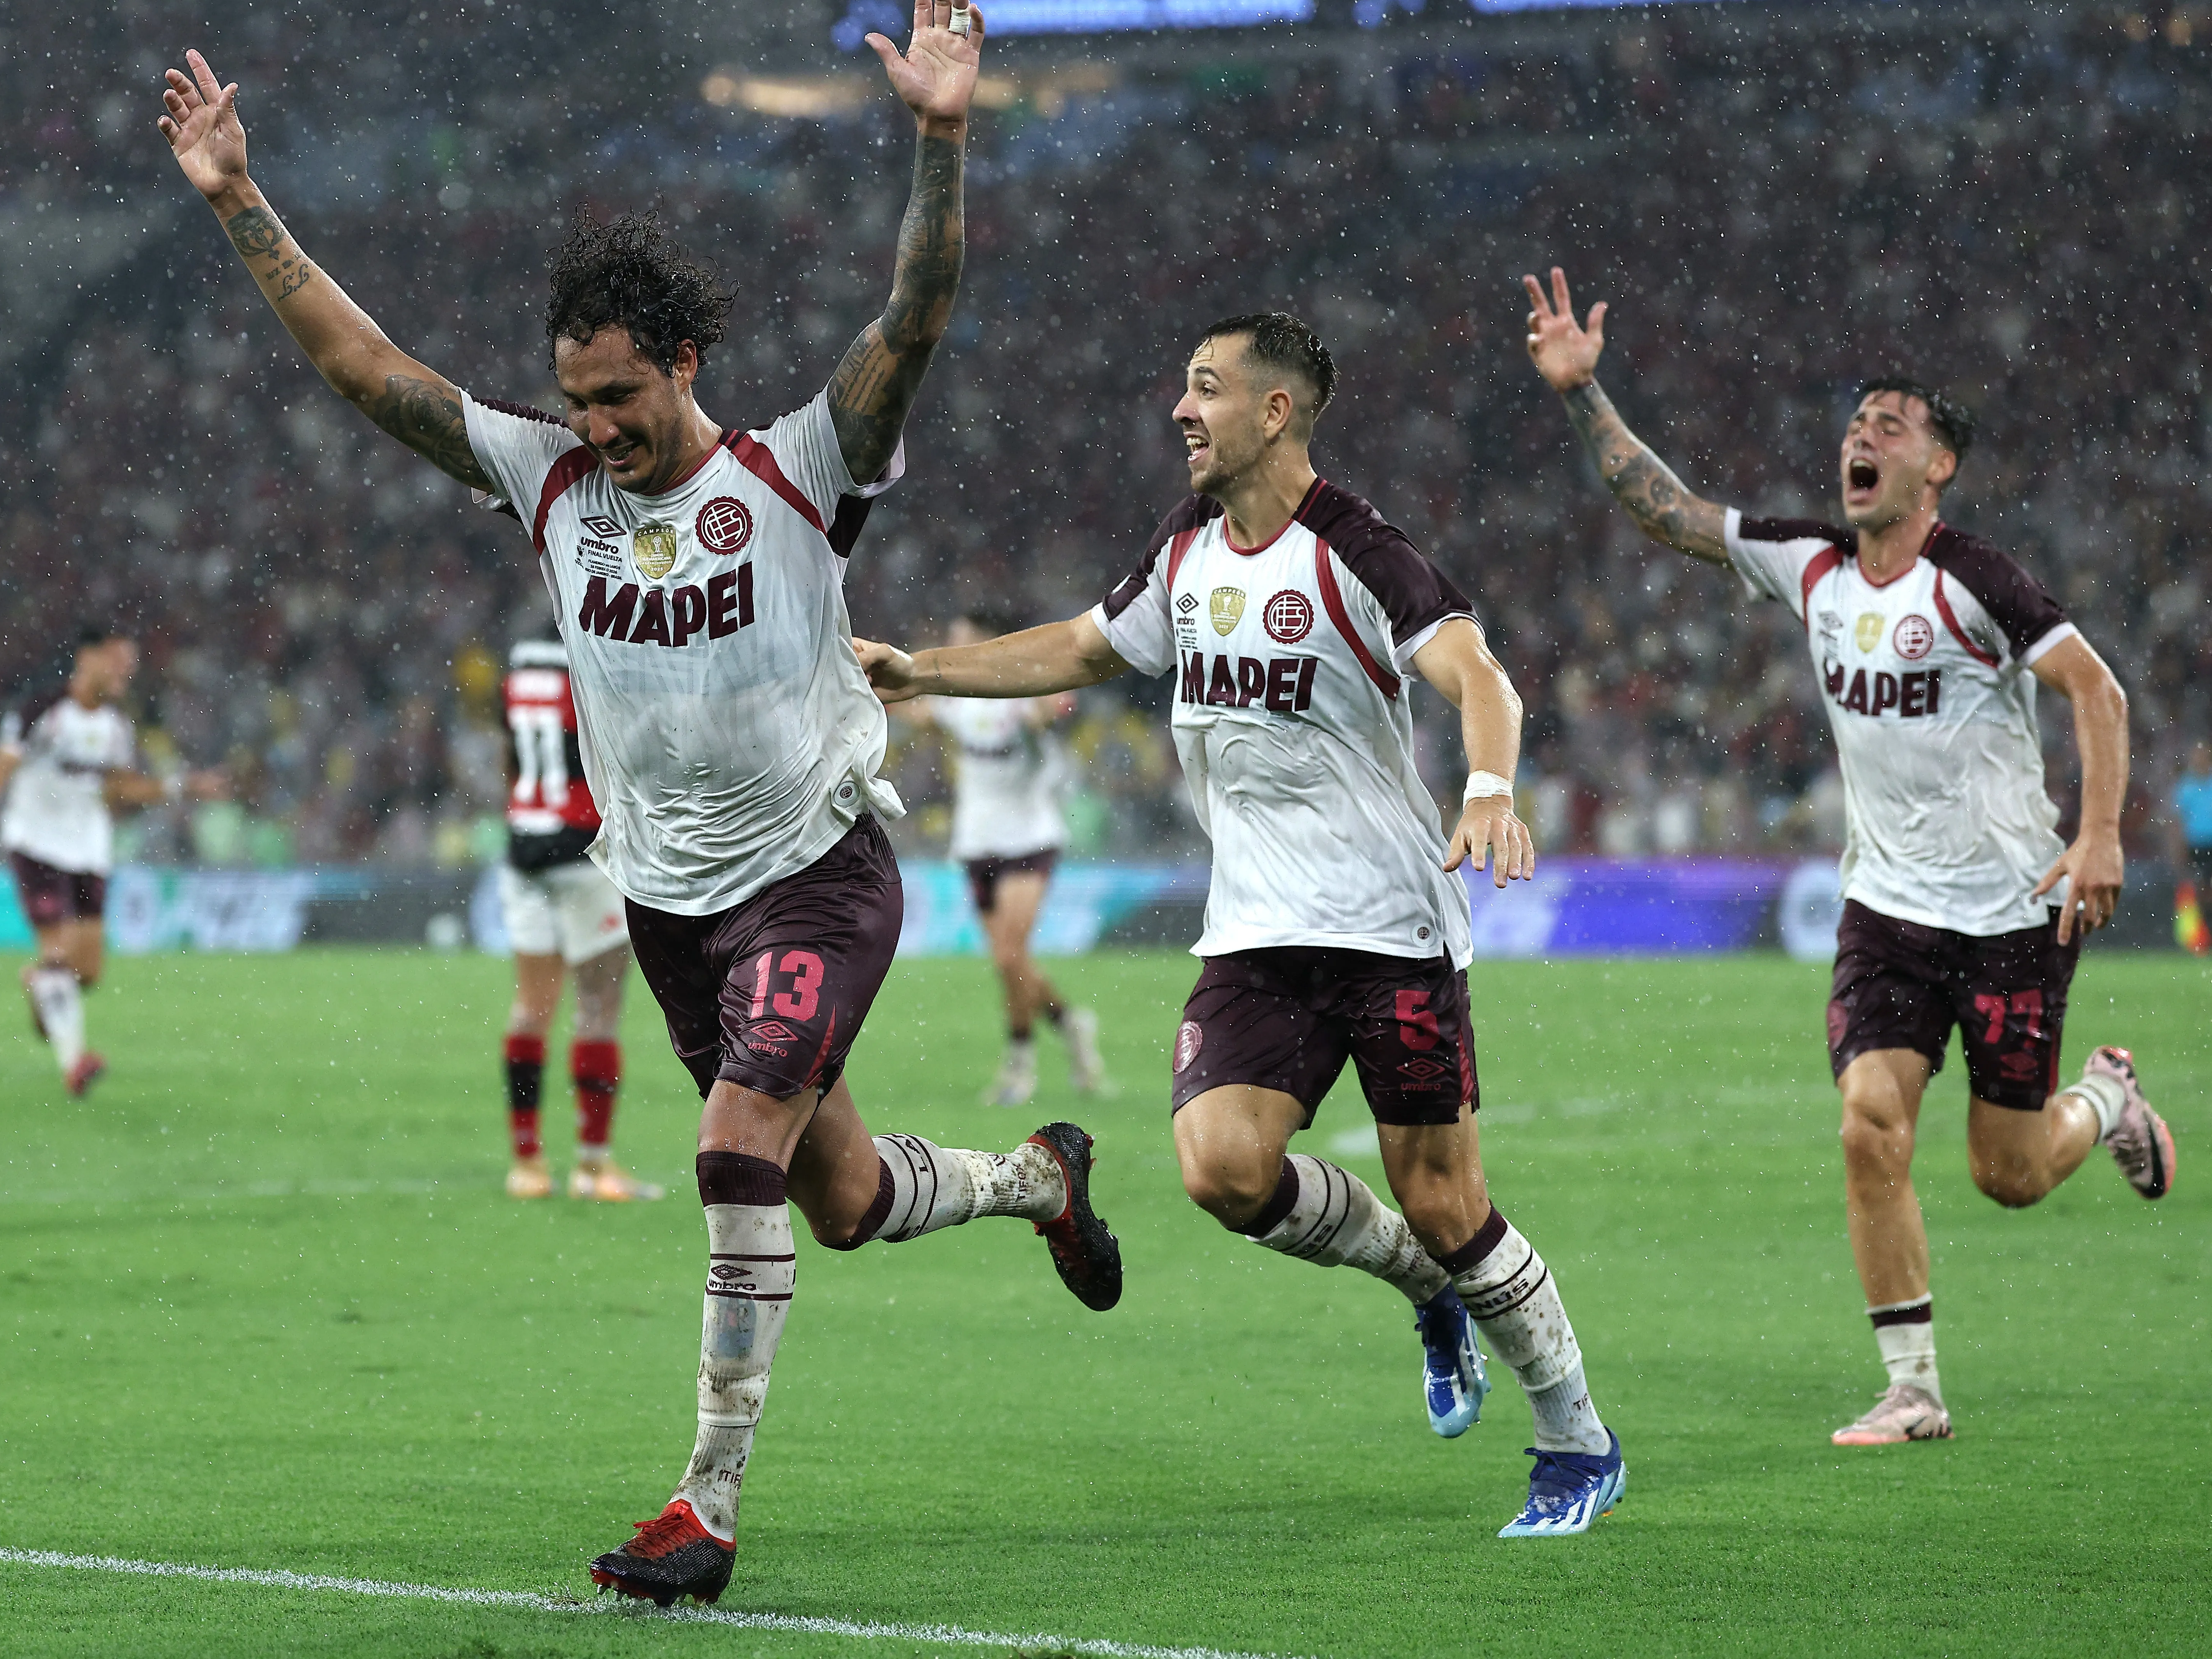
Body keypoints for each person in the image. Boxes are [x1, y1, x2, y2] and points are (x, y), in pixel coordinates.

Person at [158, 0, 1121, 1608]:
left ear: (684, 361)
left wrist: (940, 149)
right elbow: (364, 368)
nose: (594, 423)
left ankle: (702, 1507)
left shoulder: (797, 474)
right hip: (667, 906)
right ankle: (1035, 1177)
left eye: (620, 393)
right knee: (839, 1192)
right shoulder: (543, 478)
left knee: (731, 1143)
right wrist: (243, 200)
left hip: (816, 874)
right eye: (576, 394)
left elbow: (914, 322)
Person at [857, 311, 1628, 1539]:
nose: (1180, 409)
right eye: (1181, 386)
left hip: (1388, 931)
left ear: (1275, 411)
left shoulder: (1357, 548)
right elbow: (1082, 643)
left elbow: (1479, 672)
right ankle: (1420, 1287)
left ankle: (1576, 1434)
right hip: (1258, 932)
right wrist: (924, 671)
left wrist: (1489, 786)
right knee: (1220, 1168)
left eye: (1205, 388)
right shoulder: (1187, 547)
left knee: (1447, 1197)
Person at [1522, 267, 2177, 1448]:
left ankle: (2107, 1098)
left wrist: (2093, 833)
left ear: (1939, 470)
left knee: (2010, 1171)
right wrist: (1585, 393)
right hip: (1886, 910)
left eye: (1893, 425)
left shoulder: (1973, 579)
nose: (1861, 435)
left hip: (2010, 906)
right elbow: (1667, 509)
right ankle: (1912, 1387)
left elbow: (2098, 688)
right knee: (1869, 1119)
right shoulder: (1810, 565)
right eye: (1856, 421)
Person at [0, 626, 225, 1096]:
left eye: (130, 664)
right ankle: (75, 1063)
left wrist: (183, 786)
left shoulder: (116, 729)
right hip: (34, 843)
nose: (126, 672)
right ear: (87, 658)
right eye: (118, 659)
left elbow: (120, 787)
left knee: (87, 971)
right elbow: (5, 762)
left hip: (88, 848)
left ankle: (43, 987)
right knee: (58, 953)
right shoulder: (42, 710)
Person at [899, 612, 1107, 1105]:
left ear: (988, 645)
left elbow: (1053, 708)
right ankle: (1070, 1024)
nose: (953, 648)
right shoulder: (956, 703)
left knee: (1010, 955)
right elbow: (915, 708)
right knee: (1007, 961)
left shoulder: (1023, 694)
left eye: (962, 640)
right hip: (976, 841)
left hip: (1030, 838)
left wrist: (1047, 708)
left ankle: (1019, 1065)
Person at [498, 631, 659, 1201]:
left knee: (531, 1007)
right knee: (598, 1006)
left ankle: (527, 1163)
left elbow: (511, 755)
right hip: (584, 850)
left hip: (524, 844)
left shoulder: (517, 669)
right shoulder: (594, 662)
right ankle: (593, 1168)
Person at [2173, 743, 2212, 953]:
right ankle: (2198, 939)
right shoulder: (2186, 787)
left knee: (2206, 891)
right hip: (2196, 847)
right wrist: (2179, 851)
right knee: (2198, 892)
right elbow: (2179, 823)